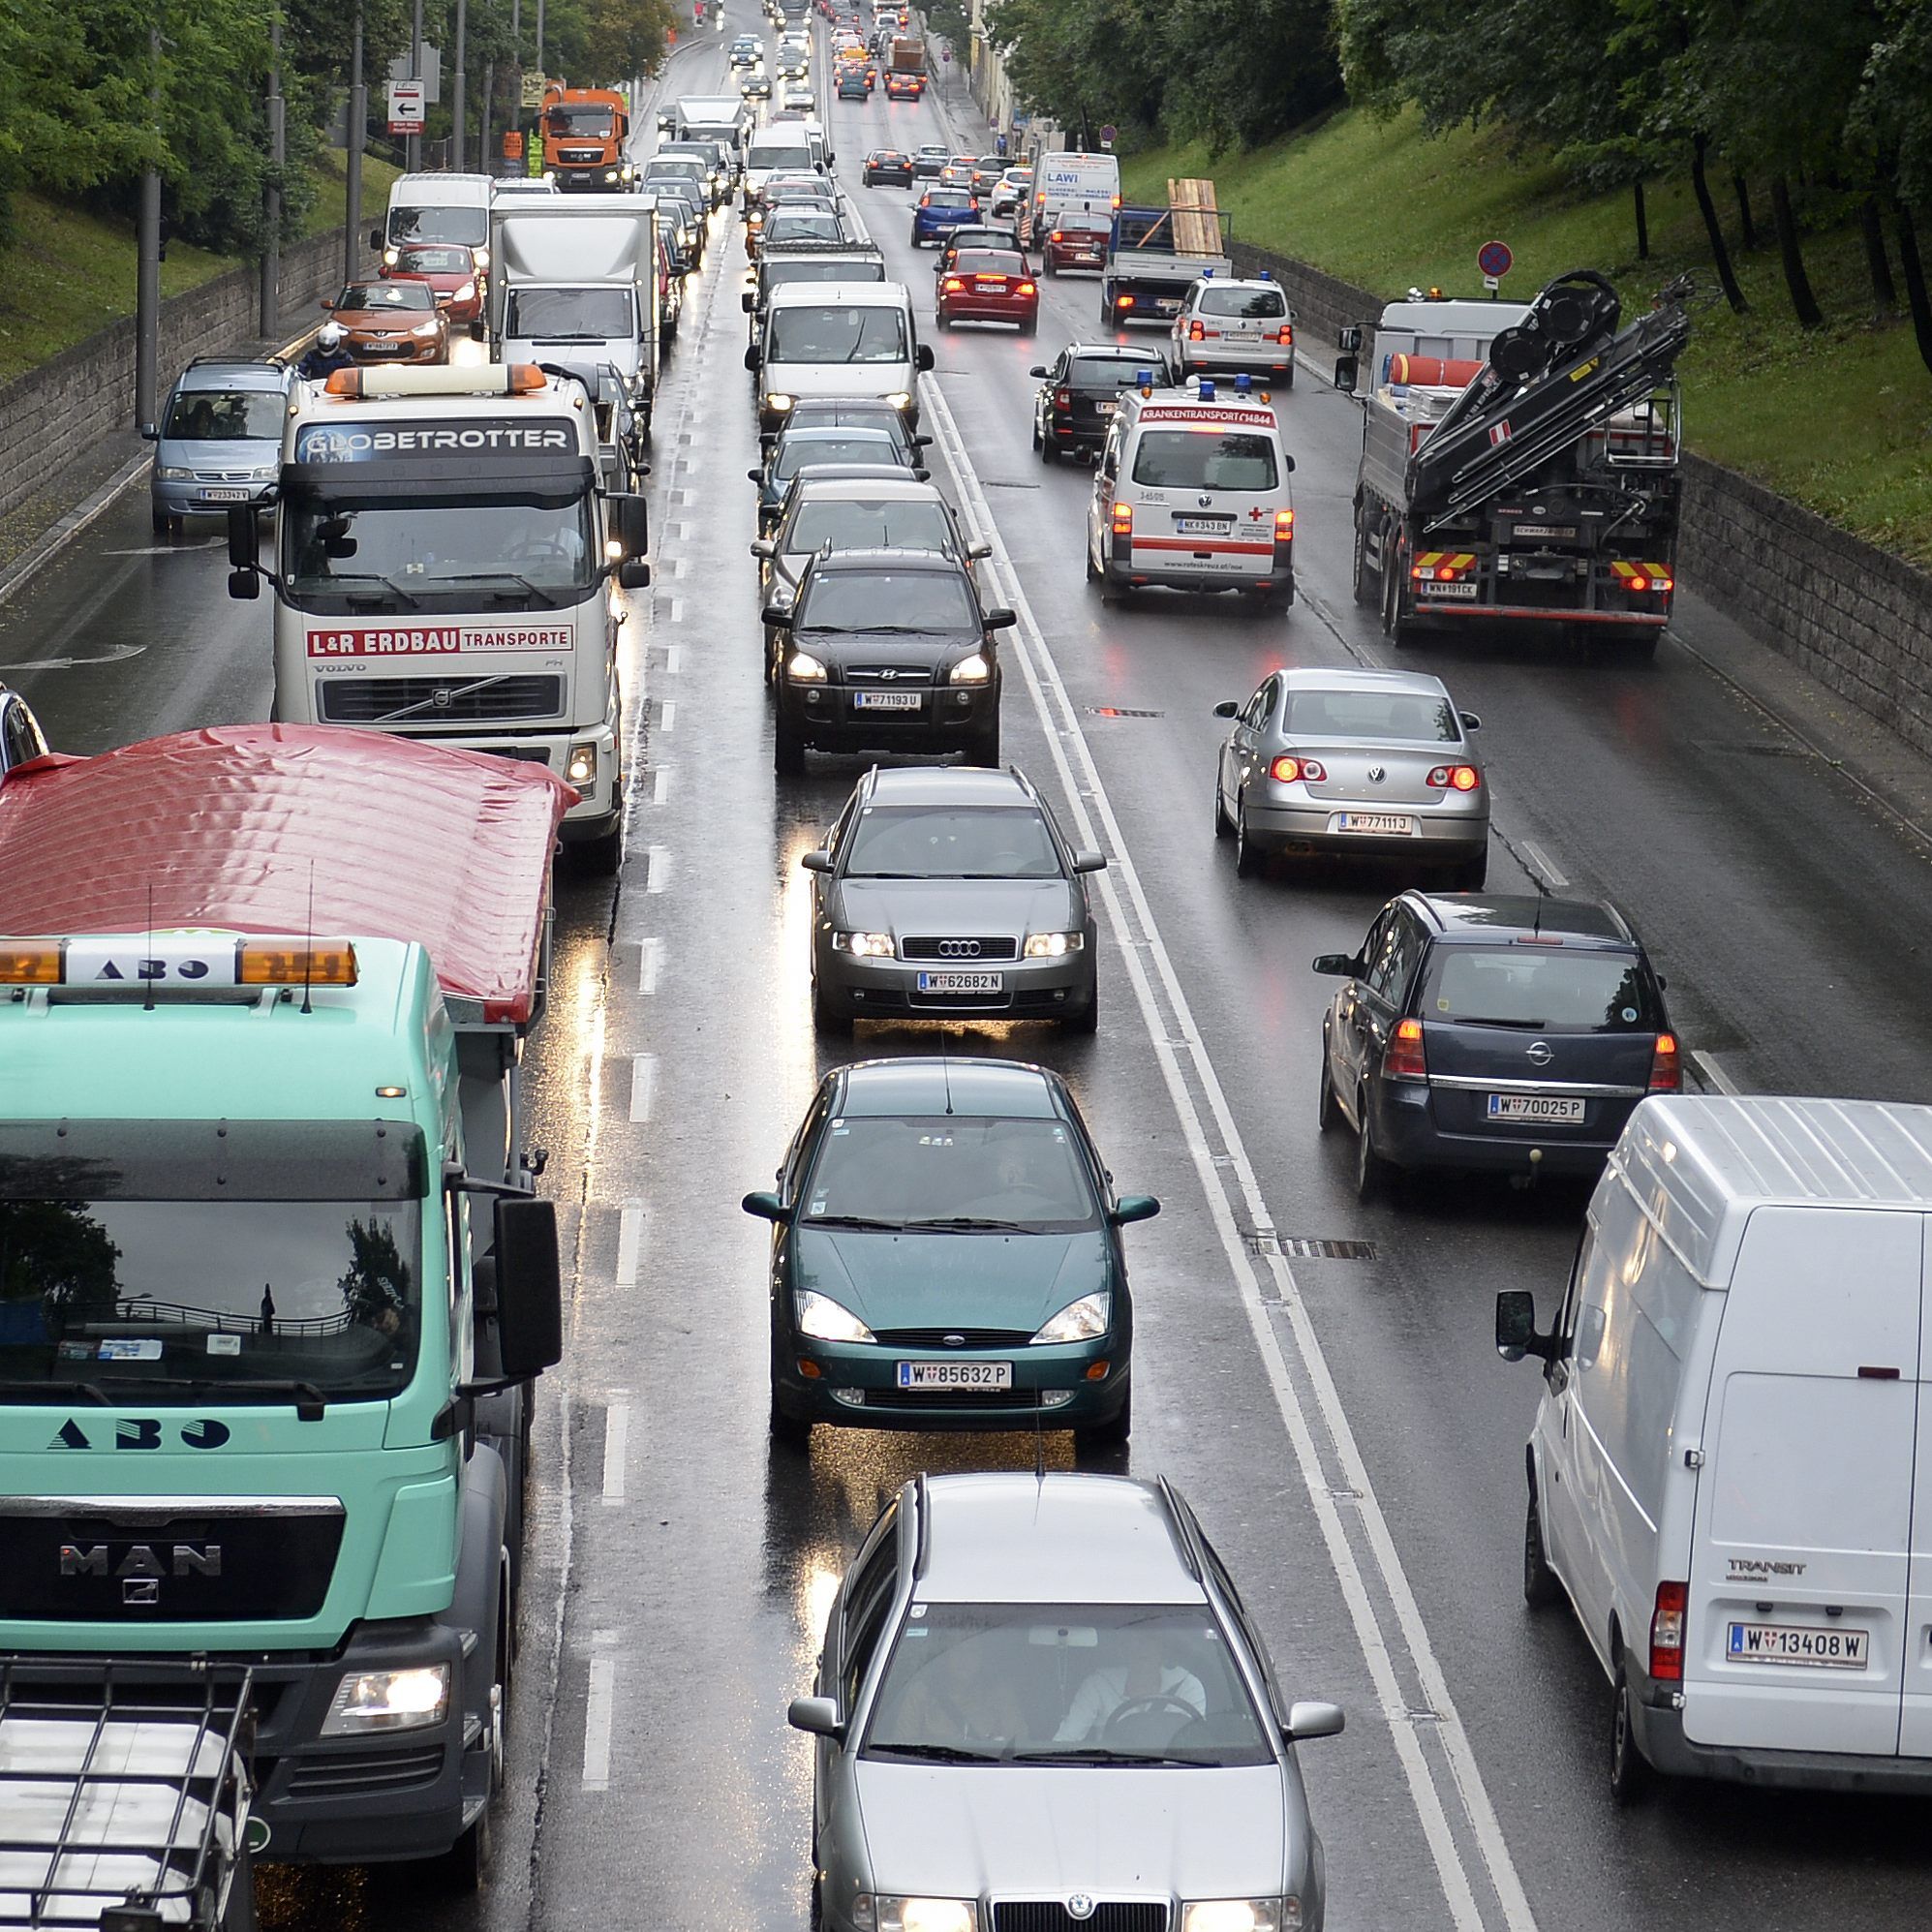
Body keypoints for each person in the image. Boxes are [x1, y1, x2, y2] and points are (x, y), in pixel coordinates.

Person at [1054, 1626, 1206, 1744]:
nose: (1143, 1648)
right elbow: (1066, 1739)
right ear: (1124, 1650)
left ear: (1163, 1650)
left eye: (1151, 1640)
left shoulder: (1187, 1686)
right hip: (1109, 1772)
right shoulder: (1098, 1685)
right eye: (1136, 1641)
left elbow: (1196, 1743)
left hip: (1176, 1774)